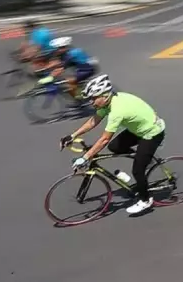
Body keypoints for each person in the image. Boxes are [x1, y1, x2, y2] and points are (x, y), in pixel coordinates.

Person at [60, 75, 166, 215]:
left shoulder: (117, 111)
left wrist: (85, 158)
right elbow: (94, 121)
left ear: (104, 96)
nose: (91, 102)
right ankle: (144, 157)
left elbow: (104, 139)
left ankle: (146, 201)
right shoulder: (108, 101)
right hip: (138, 130)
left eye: (93, 98)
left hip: (152, 133)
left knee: (137, 171)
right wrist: (72, 136)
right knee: (115, 147)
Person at [43, 37, 99, 102]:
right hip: (80, 67)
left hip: (87, 69)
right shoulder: (66, 52)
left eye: (58, 49)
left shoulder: (70, 54)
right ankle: (79, 92)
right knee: (66, 80)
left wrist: (49, 77)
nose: (56, 50)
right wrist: (46, 68)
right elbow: (57, 62)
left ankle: (79, 101)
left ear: (64, 47)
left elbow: (60, 69)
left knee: (69, 83)